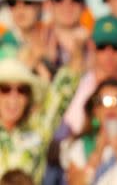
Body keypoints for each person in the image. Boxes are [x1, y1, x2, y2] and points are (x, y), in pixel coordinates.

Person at [0, 33, 83, 182]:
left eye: (21, 90)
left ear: (28, 98)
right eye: (5, 89)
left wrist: (77, 53)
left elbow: (63, 90)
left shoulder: (38, 128)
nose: (13, 98)